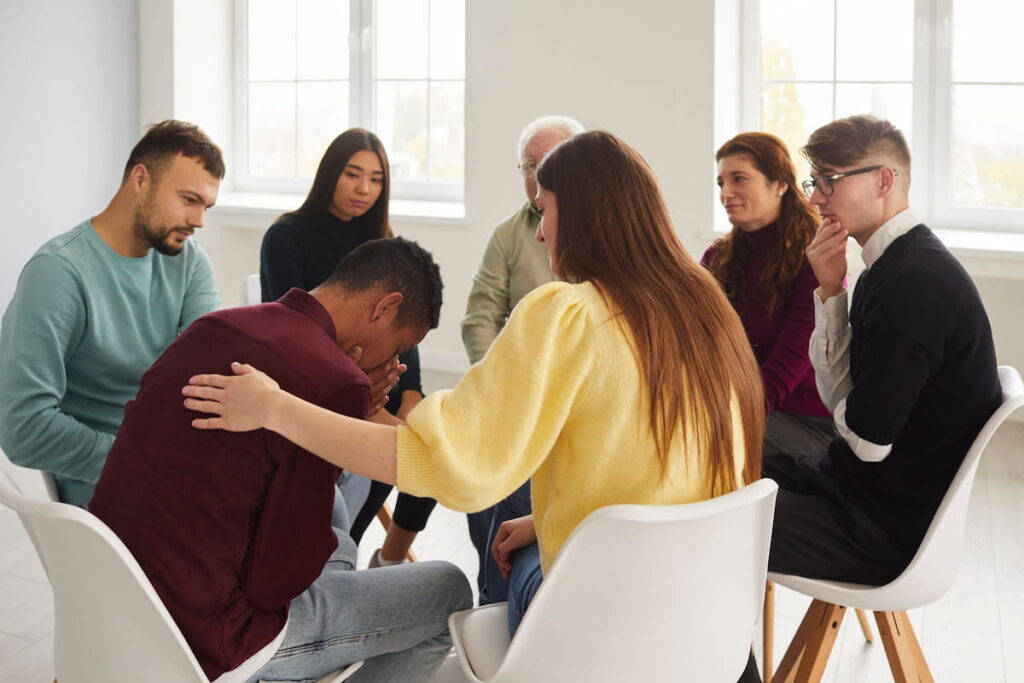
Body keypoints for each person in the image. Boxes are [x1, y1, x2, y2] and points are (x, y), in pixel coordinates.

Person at [182, 131, 766, 640]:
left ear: (583, 215)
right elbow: (664, 468)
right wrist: (544, 521)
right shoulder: (705, 311)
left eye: (544, 211)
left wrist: (276, 408)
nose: (540, 235)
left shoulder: (567, 315)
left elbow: (447, 465)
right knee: (519, 528)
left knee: (478, 566)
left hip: (598, 624)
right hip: (705, 619)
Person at [90, 238, 471, 683]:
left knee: (336, 524)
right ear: (385, 307)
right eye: (401, 345)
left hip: (115, 601)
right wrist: (350, 389)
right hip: (214, 637)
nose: (395, 360)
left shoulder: (214, 327)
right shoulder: (335, 381)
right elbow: (273, 584)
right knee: (450, 592)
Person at [766, 115, 1001, 586]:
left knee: (701, 522)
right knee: (713, 462)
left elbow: (868, 442)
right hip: (855, 490)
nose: (814, 198)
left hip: (876, 529)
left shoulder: (914, 284)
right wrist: (832, 291)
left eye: (829, 181)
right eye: (816, 181)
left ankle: (734, 663)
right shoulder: (890, 266)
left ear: (884, 180)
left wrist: (848, 414)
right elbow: (846, 406)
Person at [0, 120, 223, 506]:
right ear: (141, 180)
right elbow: (23, 427)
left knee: (318, 504)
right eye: (189, 200)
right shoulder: (58, 272)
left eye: (206, 206)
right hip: (118, 493)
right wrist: (144, 460)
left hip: (181, 468)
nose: (199, 221)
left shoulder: (188, 261)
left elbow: (207, 375)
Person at [259, 128, 434, 567]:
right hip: (325, 383)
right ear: (329, 175)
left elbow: (404, 333)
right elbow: (290, 331)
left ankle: (389, 559)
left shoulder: (383, 243)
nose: (364, 189)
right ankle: (341, 552)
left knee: (430, 446)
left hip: (384, 380)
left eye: (376, 179)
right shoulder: (285, 237)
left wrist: (410, 396)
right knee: (388, 452)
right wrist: (373, 408)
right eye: (353, 174)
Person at [461, 114, 584, 604]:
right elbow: (479, 317)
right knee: (480, 462)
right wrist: (502, 385)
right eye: (529, 165)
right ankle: (493, 587)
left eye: (549, 162)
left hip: (567, 403)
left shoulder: (596, 254)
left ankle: (501, 597)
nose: (538, 174)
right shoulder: (509, 234)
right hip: (518, 391)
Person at [703, 132, 837, 459]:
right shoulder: (718, 256)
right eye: (721, 182)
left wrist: (717, 416)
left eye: (739, 179)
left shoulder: (816, 260)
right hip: (739, 405)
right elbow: (691, 339)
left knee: (695, 436)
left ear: (779, 184)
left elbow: (782, 373)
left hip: (802, 423)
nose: (726, 193)